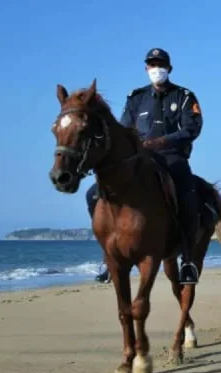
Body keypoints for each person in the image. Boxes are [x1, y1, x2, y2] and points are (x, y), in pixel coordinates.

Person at [86, 47, 204, 285]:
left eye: (160, 64)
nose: (156, 69)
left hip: (172, 157)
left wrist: (162, 141)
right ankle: (108, 257)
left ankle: (188, 260)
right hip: (139, 158)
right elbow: (123, 130)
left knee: (187, 194)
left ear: (168, 68)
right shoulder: (136, 98)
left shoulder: (184, 96)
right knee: (93, 194)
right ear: (146, 68)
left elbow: (192, 128)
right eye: (152, 65)